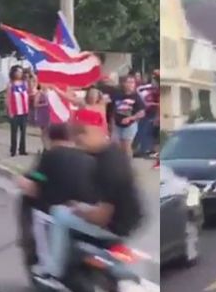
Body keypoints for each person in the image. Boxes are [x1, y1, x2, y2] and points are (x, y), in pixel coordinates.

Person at [43, 121, 143, 283]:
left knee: (59, 213)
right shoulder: (115, 152)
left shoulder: (107, 166)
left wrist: (80, 211)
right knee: (77, 208)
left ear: (91, 133)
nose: (78, 145)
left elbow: (101, 218)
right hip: (132, 217)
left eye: (79, 139)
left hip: (115, 224)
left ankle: (53, 272)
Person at [15, 122, 97, 274]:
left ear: (49, 138)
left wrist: (22, 181)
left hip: (55, 211)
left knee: (29, 205)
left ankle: (41, 259)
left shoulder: (50, 156)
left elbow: (36, 181)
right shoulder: (89, 158)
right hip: (85, 212)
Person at [109, 75, 146, 155]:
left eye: (132, 82)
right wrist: (112, 124)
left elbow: (142, 113)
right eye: (129, 82)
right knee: (116, 147)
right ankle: (120, 161)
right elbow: (113, 111)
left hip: (129, 125)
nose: (131, 85)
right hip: (117, 125)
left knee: (126, 146)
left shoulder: (136, 97)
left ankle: (128, 162)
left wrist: (130, 118)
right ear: (123, 83)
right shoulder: (117, 95)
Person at [6, 65, 30, 156]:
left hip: (24, 112)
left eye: (21, 72)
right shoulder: (10, 84)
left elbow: (29, 93)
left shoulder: (24, 83)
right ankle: (13, 150)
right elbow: (8, 99)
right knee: (14, 132)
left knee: (23, 132)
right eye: (18, 72)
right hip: (15, 112)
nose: (20, 73)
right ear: (14, 73)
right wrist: (10, 111)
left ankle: (22, 149)